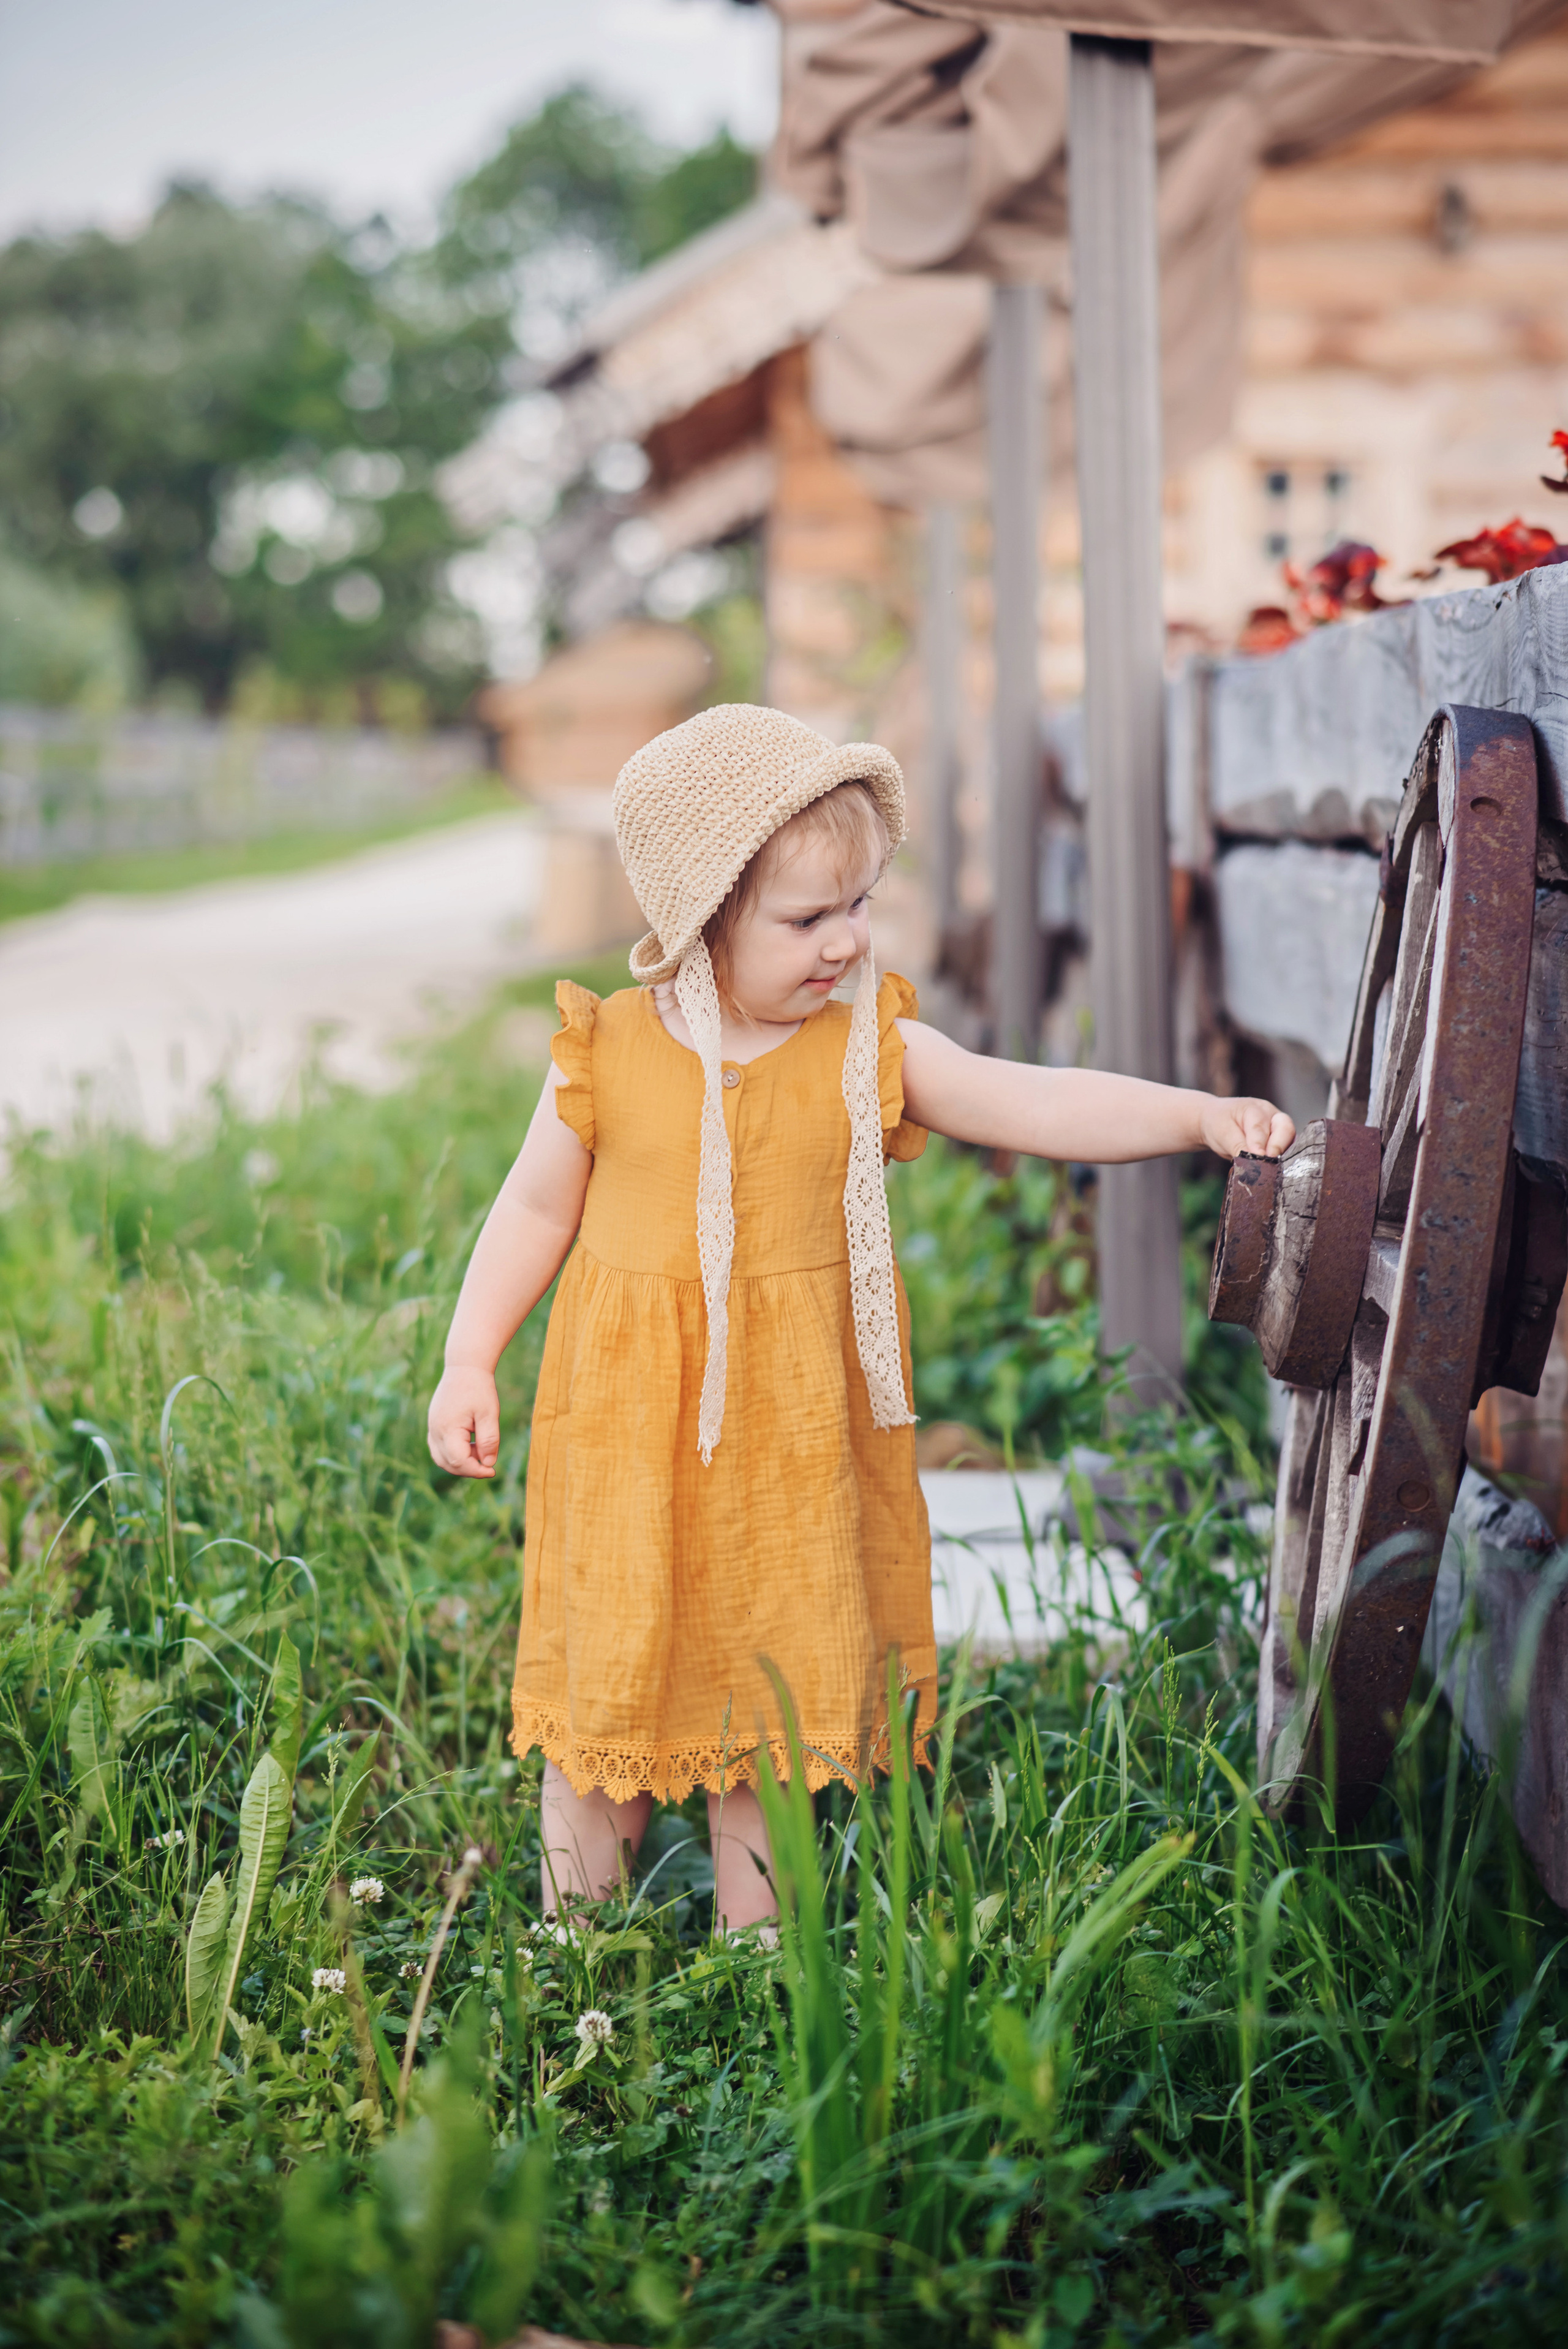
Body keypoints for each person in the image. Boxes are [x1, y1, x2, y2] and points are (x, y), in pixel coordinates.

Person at [427, 705, 1293, 1937]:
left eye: (860, 906)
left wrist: (1196, 1116)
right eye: (805, 918)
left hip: (787, 1437)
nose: (844, 941)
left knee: (764, 1691)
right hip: (627, 1432)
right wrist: (472, 1357)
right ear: (698, 918)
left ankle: (758, 1952)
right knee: (608, 1681)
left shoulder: (858, 1048)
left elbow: (1029, 1101)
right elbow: (530, 1211)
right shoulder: (607, 1050)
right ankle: (578, 1958)